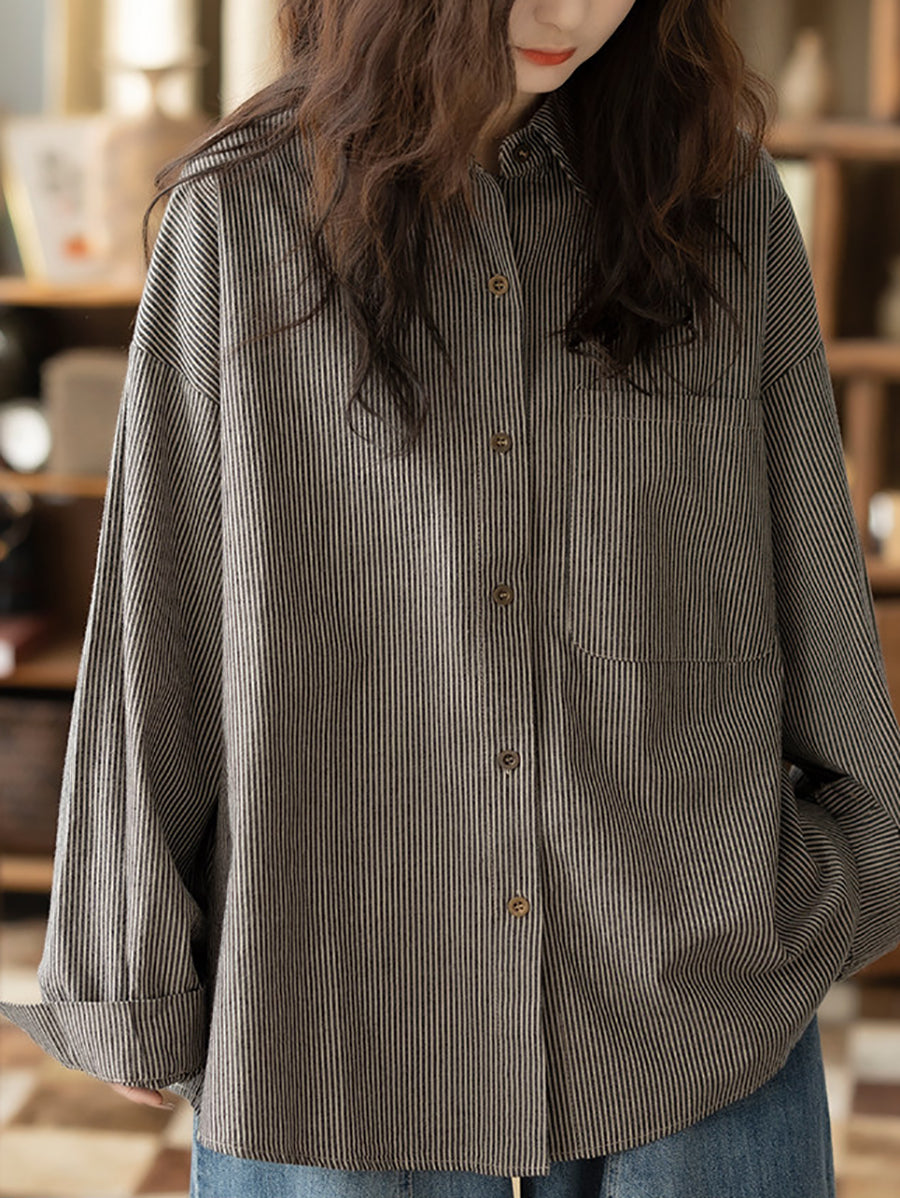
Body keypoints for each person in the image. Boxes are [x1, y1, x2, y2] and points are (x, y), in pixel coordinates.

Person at [2, 0, 900, 1195]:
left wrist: (849, 861)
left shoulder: (722, 207)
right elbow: (160, 614)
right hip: (333, 1008)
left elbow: (811, 571)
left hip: (698, 1004)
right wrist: (127, 958)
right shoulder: (239, 219)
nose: (570, 10)